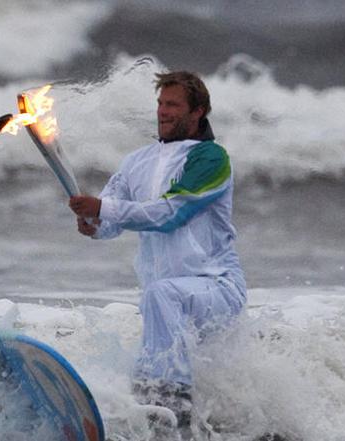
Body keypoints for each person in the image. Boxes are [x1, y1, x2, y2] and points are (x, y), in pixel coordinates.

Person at [68, 71, 246, 426]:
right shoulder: (136, 161)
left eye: (173, 105)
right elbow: (111, 219)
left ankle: (170, 414)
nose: (163, 112)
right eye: (161, 104)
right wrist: (93, 223)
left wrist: (101, 209)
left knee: (162, 294)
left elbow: (170, 214)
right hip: (166, 304)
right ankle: (151, 416)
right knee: (158, 300)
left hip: (217, 288)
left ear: (198, 112)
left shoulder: (211, 159)